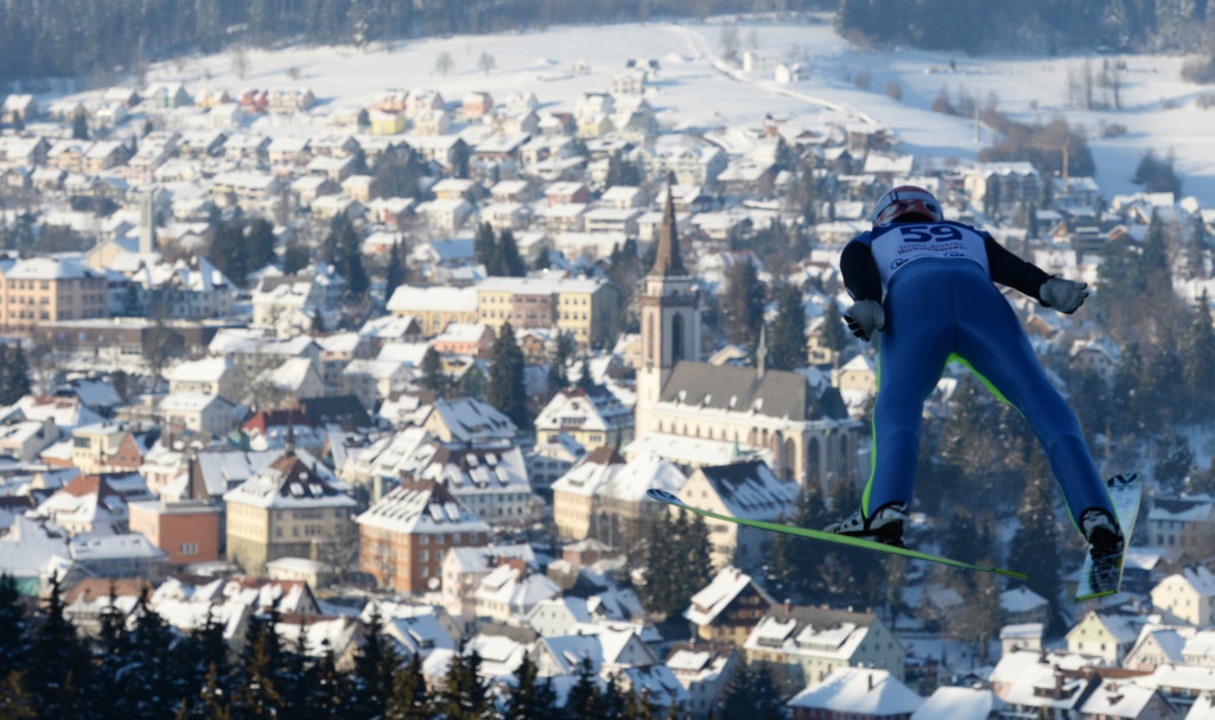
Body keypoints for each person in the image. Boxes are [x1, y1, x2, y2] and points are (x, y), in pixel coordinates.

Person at [824, 185, 1123, 563]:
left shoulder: (874, 237)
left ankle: (887, 506)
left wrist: (866, 299)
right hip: (981, 299)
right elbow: (1012, 268)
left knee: (898, 402)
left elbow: (855, 261)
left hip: (915, 299)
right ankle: (1096, 511)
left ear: (884, 215)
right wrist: (1046, 287)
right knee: (1041, 400)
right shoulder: (967, 234)